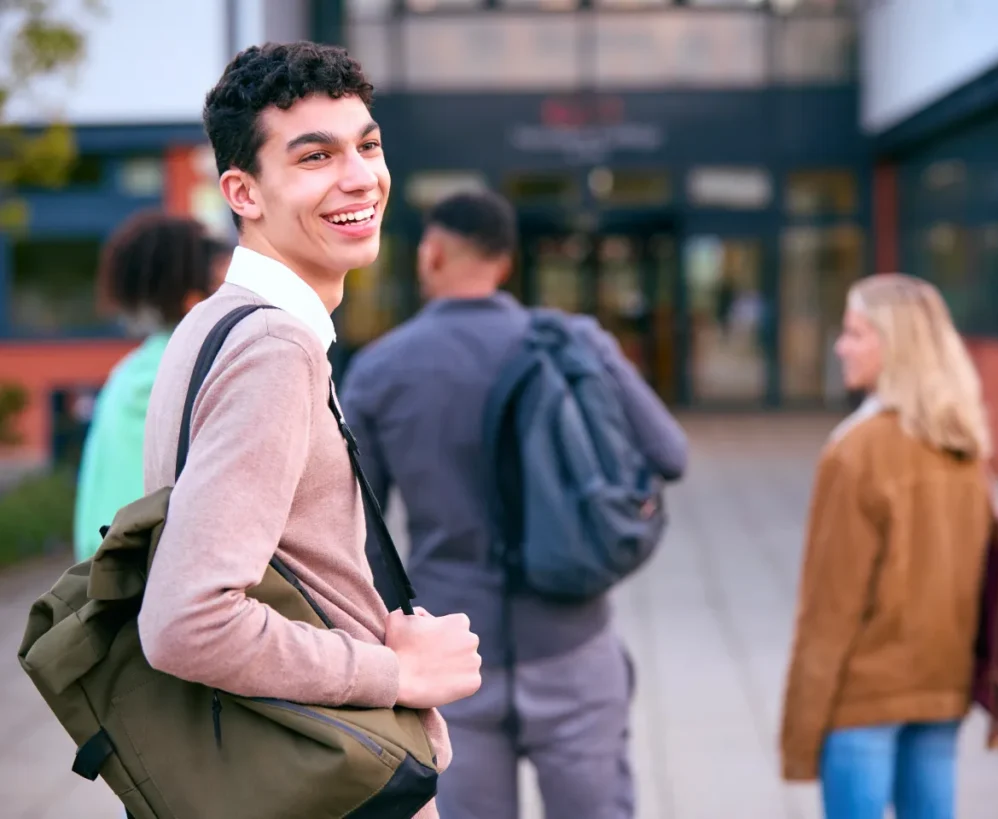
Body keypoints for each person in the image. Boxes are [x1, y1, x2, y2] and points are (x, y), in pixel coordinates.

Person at [137, 42, 481, 819]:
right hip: (327, 784)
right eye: (316, 156)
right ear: (243, 192)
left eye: (368, 145)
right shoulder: (272, 348)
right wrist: (397, 674)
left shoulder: (214, 325)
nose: (360, 177)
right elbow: (187, 620)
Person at [340, 190, 688, 819]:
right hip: (573, 639)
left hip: (453, 659)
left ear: (432, 254)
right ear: (505, 263)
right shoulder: (574, 343)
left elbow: (354, 527)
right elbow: (671, 454)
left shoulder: (382, 368)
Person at [780, 273, 992, 819]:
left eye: (855, 333)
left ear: (894, 344)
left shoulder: (856, 452)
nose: (839, 346)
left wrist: (803, 724)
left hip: (865, 694)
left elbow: (830, 608)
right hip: (941, 685)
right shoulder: (963, 442)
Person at [73, 211, 231, 562]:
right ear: (195, 299)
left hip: (107, 583)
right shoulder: (195, 369)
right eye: (226, 274)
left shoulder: (135, 370)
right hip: (148, 589)